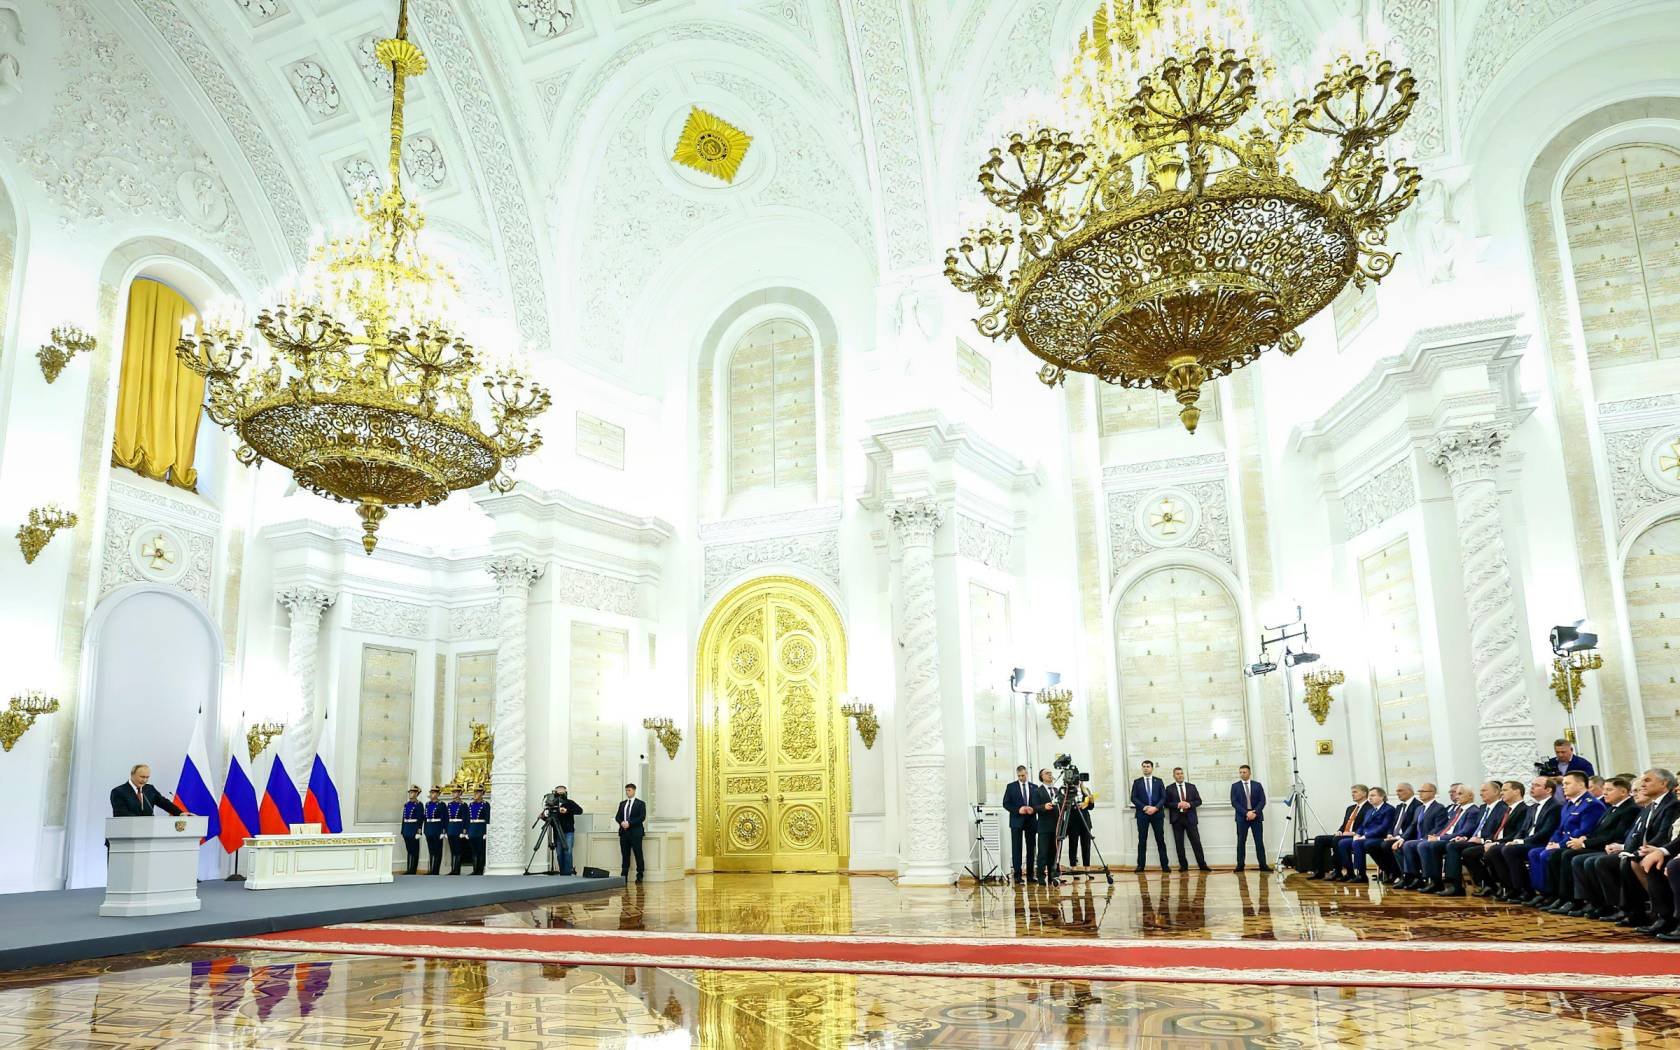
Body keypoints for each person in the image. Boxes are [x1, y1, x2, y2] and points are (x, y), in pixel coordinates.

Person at [1553, 775, 1641, 916]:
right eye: (1604, 789)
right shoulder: (1612, 808)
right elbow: (1598, 831)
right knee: (1572, 856)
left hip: (1612, 847)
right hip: (1605, 845)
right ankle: (1592, 902)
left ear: (1623, 792)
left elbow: (1614, 835)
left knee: (1582, 859)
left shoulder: (1630, 809)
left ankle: (1610, 905)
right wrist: (1585, 838)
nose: (1604, 793)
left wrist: (1584, 842)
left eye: (1609, 790)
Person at [1523, 770, 1605, 906]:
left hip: (1577, 843)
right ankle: (1545, 892)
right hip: (1564, 842)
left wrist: (1560, 845)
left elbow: (1584, 830)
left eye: (1567, 783)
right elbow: (1560, 829)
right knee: (1535, 853)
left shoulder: (1591, 804)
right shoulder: (1568, 805)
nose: (1563, 787)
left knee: (1553, 855)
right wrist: (1552, 842)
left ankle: (1566, 897)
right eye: (1563, 784)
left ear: (1580, 785)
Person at [1488, 777, 1561, 901]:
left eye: (1536, 785)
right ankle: (1510, 887)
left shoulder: (1555, 806)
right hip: (1527, 841)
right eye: (1532, 785)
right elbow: (1523, 829)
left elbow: (1546, 831)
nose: (1532, 788)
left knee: (1510, 850)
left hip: (1541, 842)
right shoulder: (1532, 807)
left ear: (1548, 790)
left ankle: (1525, 890)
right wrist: (1515, 840)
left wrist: (1522, 841)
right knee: (1495, 850)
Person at [1434, 781, 1506, 895]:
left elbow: (1498, 830)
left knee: (1456, 848)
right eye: (1480, 791)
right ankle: (1485, 884)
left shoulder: (1503, 808)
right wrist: (1465, 837)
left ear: (1496, 792)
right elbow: (1476, 828)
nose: (1481, 794)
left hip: (1487, 841)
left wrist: (1483, 840)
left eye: (1484, 790)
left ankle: (1455, 885)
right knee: (1460, 848)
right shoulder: (1483, 808)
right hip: (1474, 840)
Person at [1462, 780, 1530, 894]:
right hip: (1498, 841)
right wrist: (1489, 840)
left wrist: (1496, 842)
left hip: (1510, 842)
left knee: (1492, 852)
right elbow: (1496, 829)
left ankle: (1508, 887)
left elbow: (1517, 832)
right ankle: (1492, 885)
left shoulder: (1524, 809)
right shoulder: (1507, 809)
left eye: (1504, 790)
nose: (1502, 793)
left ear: (1516, 792)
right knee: (1468, 853)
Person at [1371, 782, 1436, 884]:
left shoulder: (1418, 805)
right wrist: (1389, 834)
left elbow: (1413, 827)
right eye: (1397, 791)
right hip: (1396, 836)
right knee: (1375, 845)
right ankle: (1391, 872)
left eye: (1400, 791)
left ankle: (1401, 874)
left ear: (1409, 791)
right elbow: (1393, 824)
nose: (1397, 793)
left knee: (1387, 845)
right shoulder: (1399, 806)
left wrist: (1400, 837)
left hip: (1410, 836)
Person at [1306, 784, 1369, 879]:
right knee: (1319, 839)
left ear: (1364, 793)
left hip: (1357, 835)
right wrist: (1339, 830)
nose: (1352, 794)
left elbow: (1367, 825)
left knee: (1338, 840)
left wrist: (1355, 833)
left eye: (1355, 792)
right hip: (1344, 834)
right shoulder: (1350, 808)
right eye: (1352, 792)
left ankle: (1340, 871)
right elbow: (1344, 824)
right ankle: (1319, 871)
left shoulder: (1370, 807)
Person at [1333, 787, 1396, 881]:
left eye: (1373, 795)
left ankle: (1362, 874)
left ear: (1382, 797)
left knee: (1357, 843)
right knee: (1343, 843)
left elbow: (1383, 827)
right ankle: (1350, 873)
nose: (1370, 798)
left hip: (1379, 837)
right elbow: (1363, 825)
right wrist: (1358, 834)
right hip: (1366, 837)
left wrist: (1365, 836)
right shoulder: (1370, 810)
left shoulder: (1388, 809)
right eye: (1369, 796)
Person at [1166, 766, 1210, 872]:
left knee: (1196, 842)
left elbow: (1199, 801)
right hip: (1177, 819)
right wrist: (1178, 804)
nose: (1180, 775)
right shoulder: (1169, 788)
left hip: (1190, 818)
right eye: (1177, 774)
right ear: (1173, 776)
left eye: (1181, 773)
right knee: (1179, 843)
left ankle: (1202, 865)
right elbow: (1166, 803)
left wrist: (1189, 804)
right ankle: (1183, 866)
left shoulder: (1191, 787)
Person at [1129, 760, 1169, 872]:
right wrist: (1145, 807)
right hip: (1143, 815)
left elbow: (1163, 797)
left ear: (1152, 768)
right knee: (1142, 840)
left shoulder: (1159, 781)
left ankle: (1165, 865)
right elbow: (1133, 797)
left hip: (1157, 814)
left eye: (1148, 766)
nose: (1146, 768)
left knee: (1160, 839)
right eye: (1144, 767)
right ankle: (1140, 865)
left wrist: (1155, 808)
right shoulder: (1137, 782)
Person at [1002, 766, 1040, 883]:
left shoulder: (1034, 787)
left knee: (1031, 848)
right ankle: (1017, 876)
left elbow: (1038, 804)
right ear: (1017, 775)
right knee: (1016, 848)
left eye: (1023, 775)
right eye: (1019, 776)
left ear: (1026, 774)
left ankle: (1030, 875)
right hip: (1016, 821)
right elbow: (1006, 803)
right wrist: (1018, 809)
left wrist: (1032, 809)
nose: (1021, 778)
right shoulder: (1011, 787)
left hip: (1031, 821)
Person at [109, 763, 186, 817]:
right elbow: (121, 813)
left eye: (147, 777)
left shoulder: (149, 789)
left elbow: (164, 803)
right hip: (125, 835)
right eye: (142, 777)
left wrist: (180, 813)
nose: (145, 780)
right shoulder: (118, 792)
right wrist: (143, 821)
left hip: (146, 834)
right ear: (132, 775)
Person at [1231, 765, 1267, 872]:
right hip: (1242, 817)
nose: (1242, 774)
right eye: (1241, 772)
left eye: (1244, 772)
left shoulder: (1257, 785)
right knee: (1241, 841)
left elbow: (1262, 801)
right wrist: (1247, 813)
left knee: (1259, 841)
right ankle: (1240, 865)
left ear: (1249, 773)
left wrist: (1254, 812)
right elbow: (1234, 802)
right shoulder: (1235, 786)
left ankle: (1263, 865)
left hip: (1256, 816)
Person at [616, 783, 647, 882]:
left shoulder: (640, 803)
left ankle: (640, 874)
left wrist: (630, 823)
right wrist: (622, 823)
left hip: (636, 832)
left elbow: (642, 817)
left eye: (629, 790)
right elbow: (618, 816)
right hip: (624, 833)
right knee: (625, 854)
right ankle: (624, 875)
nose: (627, 792)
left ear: (634, 791)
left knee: (638, 853)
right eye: (626, 790)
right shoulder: (622, 804)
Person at [550, 785, 584, 875]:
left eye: (562, 792)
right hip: (557, 832)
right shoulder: (552, 804)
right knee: (559, 853)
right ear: (555, 793)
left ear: (566, 792)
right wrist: (543, 817)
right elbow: (550, 819)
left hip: (568, 831)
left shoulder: (570, 802)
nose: (561, 794)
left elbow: (580, 811)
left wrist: (567, 810)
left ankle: (568, 873)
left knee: (568, 852)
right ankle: (563, 873)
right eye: (559, 792)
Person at [1034, 768, 1060, 883]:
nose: (1050, 775)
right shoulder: (1037, 791)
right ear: (1041, 777)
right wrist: (1044, 807)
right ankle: (1040, 876)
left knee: (1053, 853)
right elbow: (1034, 807)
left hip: (1056, 826)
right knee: (1043, 853)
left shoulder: (1056, 790)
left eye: (1050, 773)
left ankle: (1052, 876)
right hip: (1044, 826)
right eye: (1047, 773)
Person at [422, 787, 446, 874]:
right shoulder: (427, 804)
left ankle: (435, 871)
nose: (433, 794)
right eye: (432, 792)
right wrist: (425, 830)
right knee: (431, 850)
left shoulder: (441, 804)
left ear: (438, 794)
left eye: (435, 793)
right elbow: (425, 818)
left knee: (437, 851)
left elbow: (444, 818)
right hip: (429, 828)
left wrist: (443, 831)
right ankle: (431, 869)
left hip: (437, 828)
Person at [445, 788, 469, 875]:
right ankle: (453, 869)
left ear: (460, 793)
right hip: (451, 828)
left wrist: (464, 830)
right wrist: (446, 830)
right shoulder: (450, 804)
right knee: (453, 850)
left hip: (458, 828)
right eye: (453, 792)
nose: (453, 793)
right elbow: (447, 818)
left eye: (455, 792)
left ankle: (457, 870)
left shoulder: (463, 805)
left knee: (458, 850)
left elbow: (465, 818)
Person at [400, 786, 423, 875]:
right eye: (410, 792)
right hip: (407, 828)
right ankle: (409, 869)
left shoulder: (419, 804)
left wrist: (419, 831)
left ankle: (413, 870)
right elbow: (403, 818)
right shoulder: (407, 804)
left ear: (417, 794)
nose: (411, 794)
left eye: (413, 792)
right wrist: (402, 830)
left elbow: (420, 818)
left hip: (414, 828)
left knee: (414, 850)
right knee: (409, 850)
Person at [467, 787, 490, 875]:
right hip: (472, 828)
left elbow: (487, 819)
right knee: (474, 851)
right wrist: (468, 830)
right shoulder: (471, 804)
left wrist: (486, 832)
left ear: (482, 794)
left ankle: (480, 870)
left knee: (480, 851)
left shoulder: (485, 804)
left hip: (480, 828)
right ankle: (475, 869)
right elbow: (469, 818)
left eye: (478, 792)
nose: (475, 794)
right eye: (475, 792)